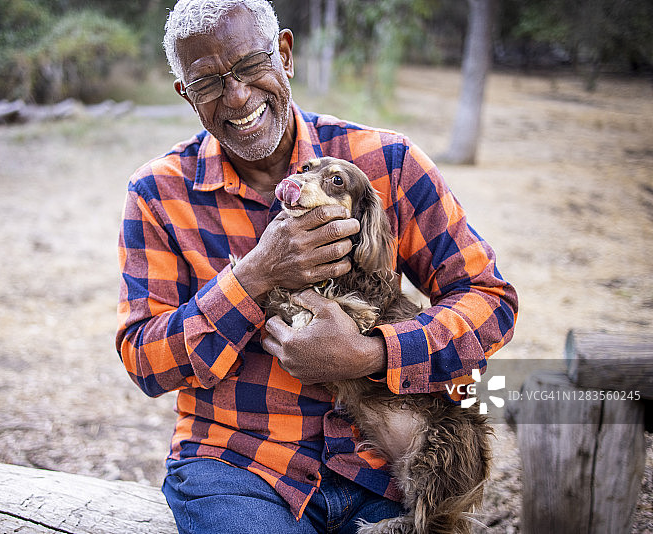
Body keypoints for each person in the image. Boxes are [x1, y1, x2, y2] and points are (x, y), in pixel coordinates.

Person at [116, 1, 518, 532]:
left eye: (250, 65)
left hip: (387, 471)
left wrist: (373, 354)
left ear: (284, 54)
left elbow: (490, 300)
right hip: (238, 465)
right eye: (208, 83)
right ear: (186, 94)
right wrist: (256, 275)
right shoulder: (158, 193)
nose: (236, 96)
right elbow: (145, 360)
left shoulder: (388, 163)